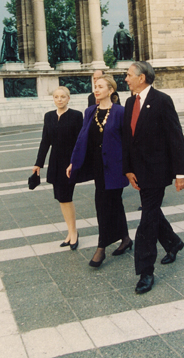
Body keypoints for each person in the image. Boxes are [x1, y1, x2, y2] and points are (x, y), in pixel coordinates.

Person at [123, 61, 184, 294]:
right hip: (138, 171)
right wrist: (128, 169)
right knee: (152, 212)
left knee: (147, 221)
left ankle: (145, 272)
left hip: (158, 171)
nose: (126, 79)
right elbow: (128, 140)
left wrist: (180, 173)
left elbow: (175, 137)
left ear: (142, 78)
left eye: (129, 75)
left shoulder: (162, 101)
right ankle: (173, 243)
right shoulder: (130, 102)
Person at [67, 75, 131, 267]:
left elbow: (128, 142)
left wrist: (130, 167)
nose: (96, 89)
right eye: (95, 86)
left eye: (101, 87)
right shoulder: (90, 111)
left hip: (116, 167)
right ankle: (126, 238)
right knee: (111, 203)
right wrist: (73, 162)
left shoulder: (120, 112)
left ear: (111, 90)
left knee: (105, 205)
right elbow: (81, 139)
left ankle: (101, 248)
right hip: (97, 167)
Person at [33, 87, 83, 249]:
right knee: (61, 198)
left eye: (63, 97)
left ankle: (74, 232)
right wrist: (38, 163)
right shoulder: (48, 116)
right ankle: (70, 232)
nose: (59, 99)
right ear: (53, 99)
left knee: (66, 197)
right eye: (56, 97)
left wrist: (75, 162)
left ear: (68, 98)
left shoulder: (76, 116)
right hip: (55, 162)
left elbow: (80, 142)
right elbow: (45, 141)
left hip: (69, 163)